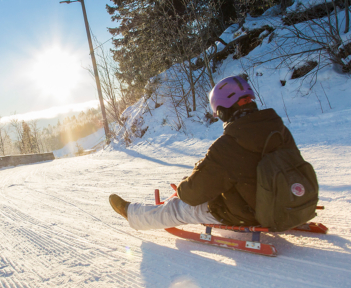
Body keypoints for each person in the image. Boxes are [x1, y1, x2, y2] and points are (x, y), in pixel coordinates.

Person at [109, 75, 301, 230]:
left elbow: (192, 195)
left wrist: (184, 188)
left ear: (225, 109)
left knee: (179, 209)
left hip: (251, 213)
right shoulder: (278, 129)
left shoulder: (230, 144)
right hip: (289, 201)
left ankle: (133, 214)